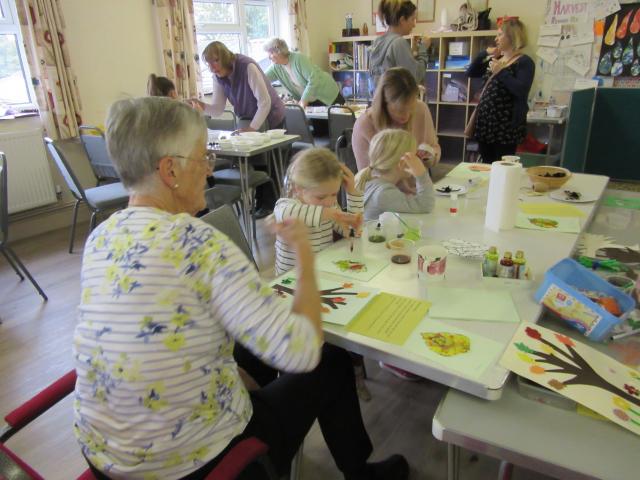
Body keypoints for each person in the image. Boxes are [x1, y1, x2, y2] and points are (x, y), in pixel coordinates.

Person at [73, 96, 409, 480]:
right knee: (329, 361)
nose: (209, 168)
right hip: (193, 465)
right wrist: (303, 255)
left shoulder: (101, 236)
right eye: (203, 157)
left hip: (103, 457)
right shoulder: (199, 244)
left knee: (248, 347)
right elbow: (301, 352)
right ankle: (360, 473)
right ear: (170, 170)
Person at [273, 148, 371, 402]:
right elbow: (296, 215)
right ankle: (309, 377)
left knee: (353, 318)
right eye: (321, 196)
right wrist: (333, 212)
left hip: (324, 280)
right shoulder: (286, 206)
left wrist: (352, 194)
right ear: (297, 189)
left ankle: (351, 369)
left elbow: (352, 230)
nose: (329, 201)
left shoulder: (328, 206)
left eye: (333, 194)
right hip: (291, 292)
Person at [189, 41, 285, 217]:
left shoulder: (247, 67)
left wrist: (253, 128)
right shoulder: (218, 77)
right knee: (254, 162)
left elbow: (265, 102)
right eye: (209, 63)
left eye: (215, 61)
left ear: (225, 57)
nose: (212, 67)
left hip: (270, 115)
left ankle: (270, 203)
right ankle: (261, 202)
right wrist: (202, 106)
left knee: (267, 161)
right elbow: (218, 109)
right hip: (248, 117)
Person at [466, 18, 534, 163]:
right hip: (486, 124)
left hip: (505, 128)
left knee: (503, 167)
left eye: (500, 34)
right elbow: (471, 72)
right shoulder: (496, 59)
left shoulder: (524, 62)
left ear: (512, 36)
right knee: (486, 165)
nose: (496, 39)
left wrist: (501, 72)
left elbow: (521, 90)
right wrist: (484, 53)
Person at [353, 67, 440, 172]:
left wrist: (429, 157)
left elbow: (434, 149)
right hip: (383, 183)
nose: (406, 116)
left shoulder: (421, 109)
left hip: (419, 180)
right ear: (384, 103)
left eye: (411, 109)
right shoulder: (364, 125)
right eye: (400, 110)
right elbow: (365, 177)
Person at [355, 129, 435, 222]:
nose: (417, 159)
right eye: (414, 156)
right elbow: (425, 205)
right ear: (402, 163)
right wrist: (421, 174)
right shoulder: (385, 193)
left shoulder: (371, 180)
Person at [264, 38, 344, 108]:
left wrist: (304, 100)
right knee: (317, 121)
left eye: (271, 53)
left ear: (279, 51)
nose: (268, 57)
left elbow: (314, 79)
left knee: (339, 119)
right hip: (311, 100)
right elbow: (262, 78)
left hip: (327, 93)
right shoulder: (276, 68)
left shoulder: (299, 59)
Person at [368, 0, 428, 91]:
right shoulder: (399, 43)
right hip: (396, 99)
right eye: (412, 19)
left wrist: (413, 54)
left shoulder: (378, 41)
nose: (414, 25)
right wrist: (423, 48)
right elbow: (415, 77)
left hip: (381, 98)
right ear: (402, 20)